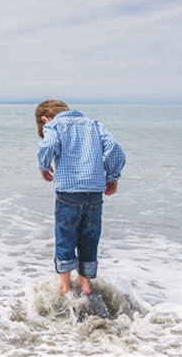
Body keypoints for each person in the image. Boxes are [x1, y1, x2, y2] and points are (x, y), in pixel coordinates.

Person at [35, 100, 126, 295]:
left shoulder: (54, 125)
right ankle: (85, 284)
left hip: (68, 193)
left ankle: (65, 286)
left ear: (45, 119)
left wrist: (44, 166)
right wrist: (112, 177)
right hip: (94, 193)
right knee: (89, 238)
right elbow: (114, 148)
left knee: (65, 237)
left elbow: (49, 144)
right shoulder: (94, 125)